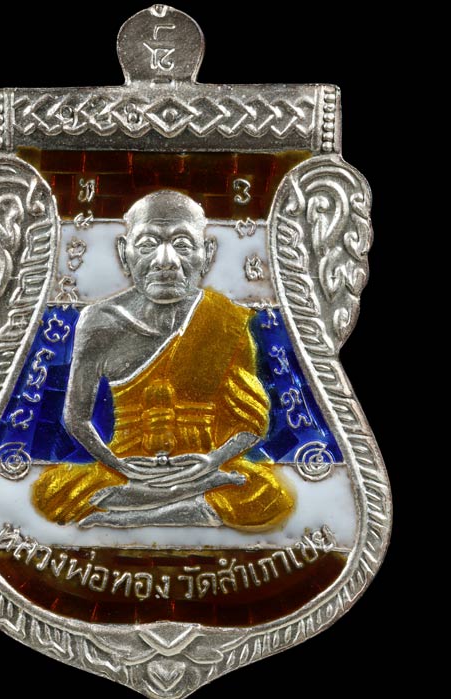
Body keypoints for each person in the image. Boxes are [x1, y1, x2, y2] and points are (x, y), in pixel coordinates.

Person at [32, 190, 294, 531]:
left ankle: (145, 510)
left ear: (207, 253)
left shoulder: (225, 319)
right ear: (123, 253)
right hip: (129, 464)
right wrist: (119, 465)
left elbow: (252, 424)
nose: (166, 260)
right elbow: (76, 417)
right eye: (147, 244)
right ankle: (183, 501)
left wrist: (211, 461)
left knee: (269, 496)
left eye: (183, 244)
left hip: (202, 463)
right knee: (51, 494)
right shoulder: (100, 322)